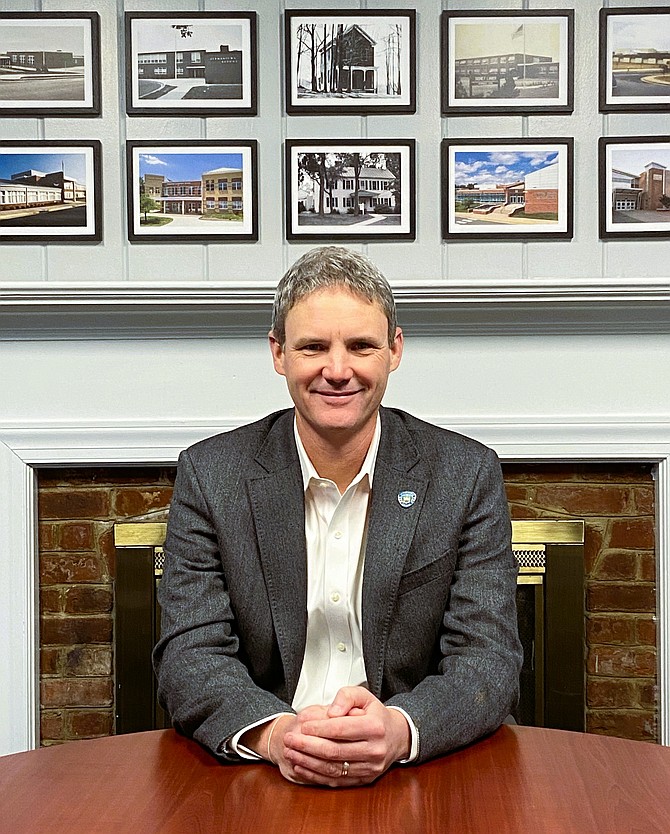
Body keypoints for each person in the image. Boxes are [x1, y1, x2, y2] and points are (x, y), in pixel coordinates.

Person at [153, 246, 522, 788]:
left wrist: (399, 729)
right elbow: (189, 652)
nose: (338, 370)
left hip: (421, 765)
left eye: (361, 346)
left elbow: (488, 657)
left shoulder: (465, 474)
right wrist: (278, 736)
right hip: (264, 763)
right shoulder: (211, 475)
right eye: (313, 347)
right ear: (278, 353)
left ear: (394, 350)